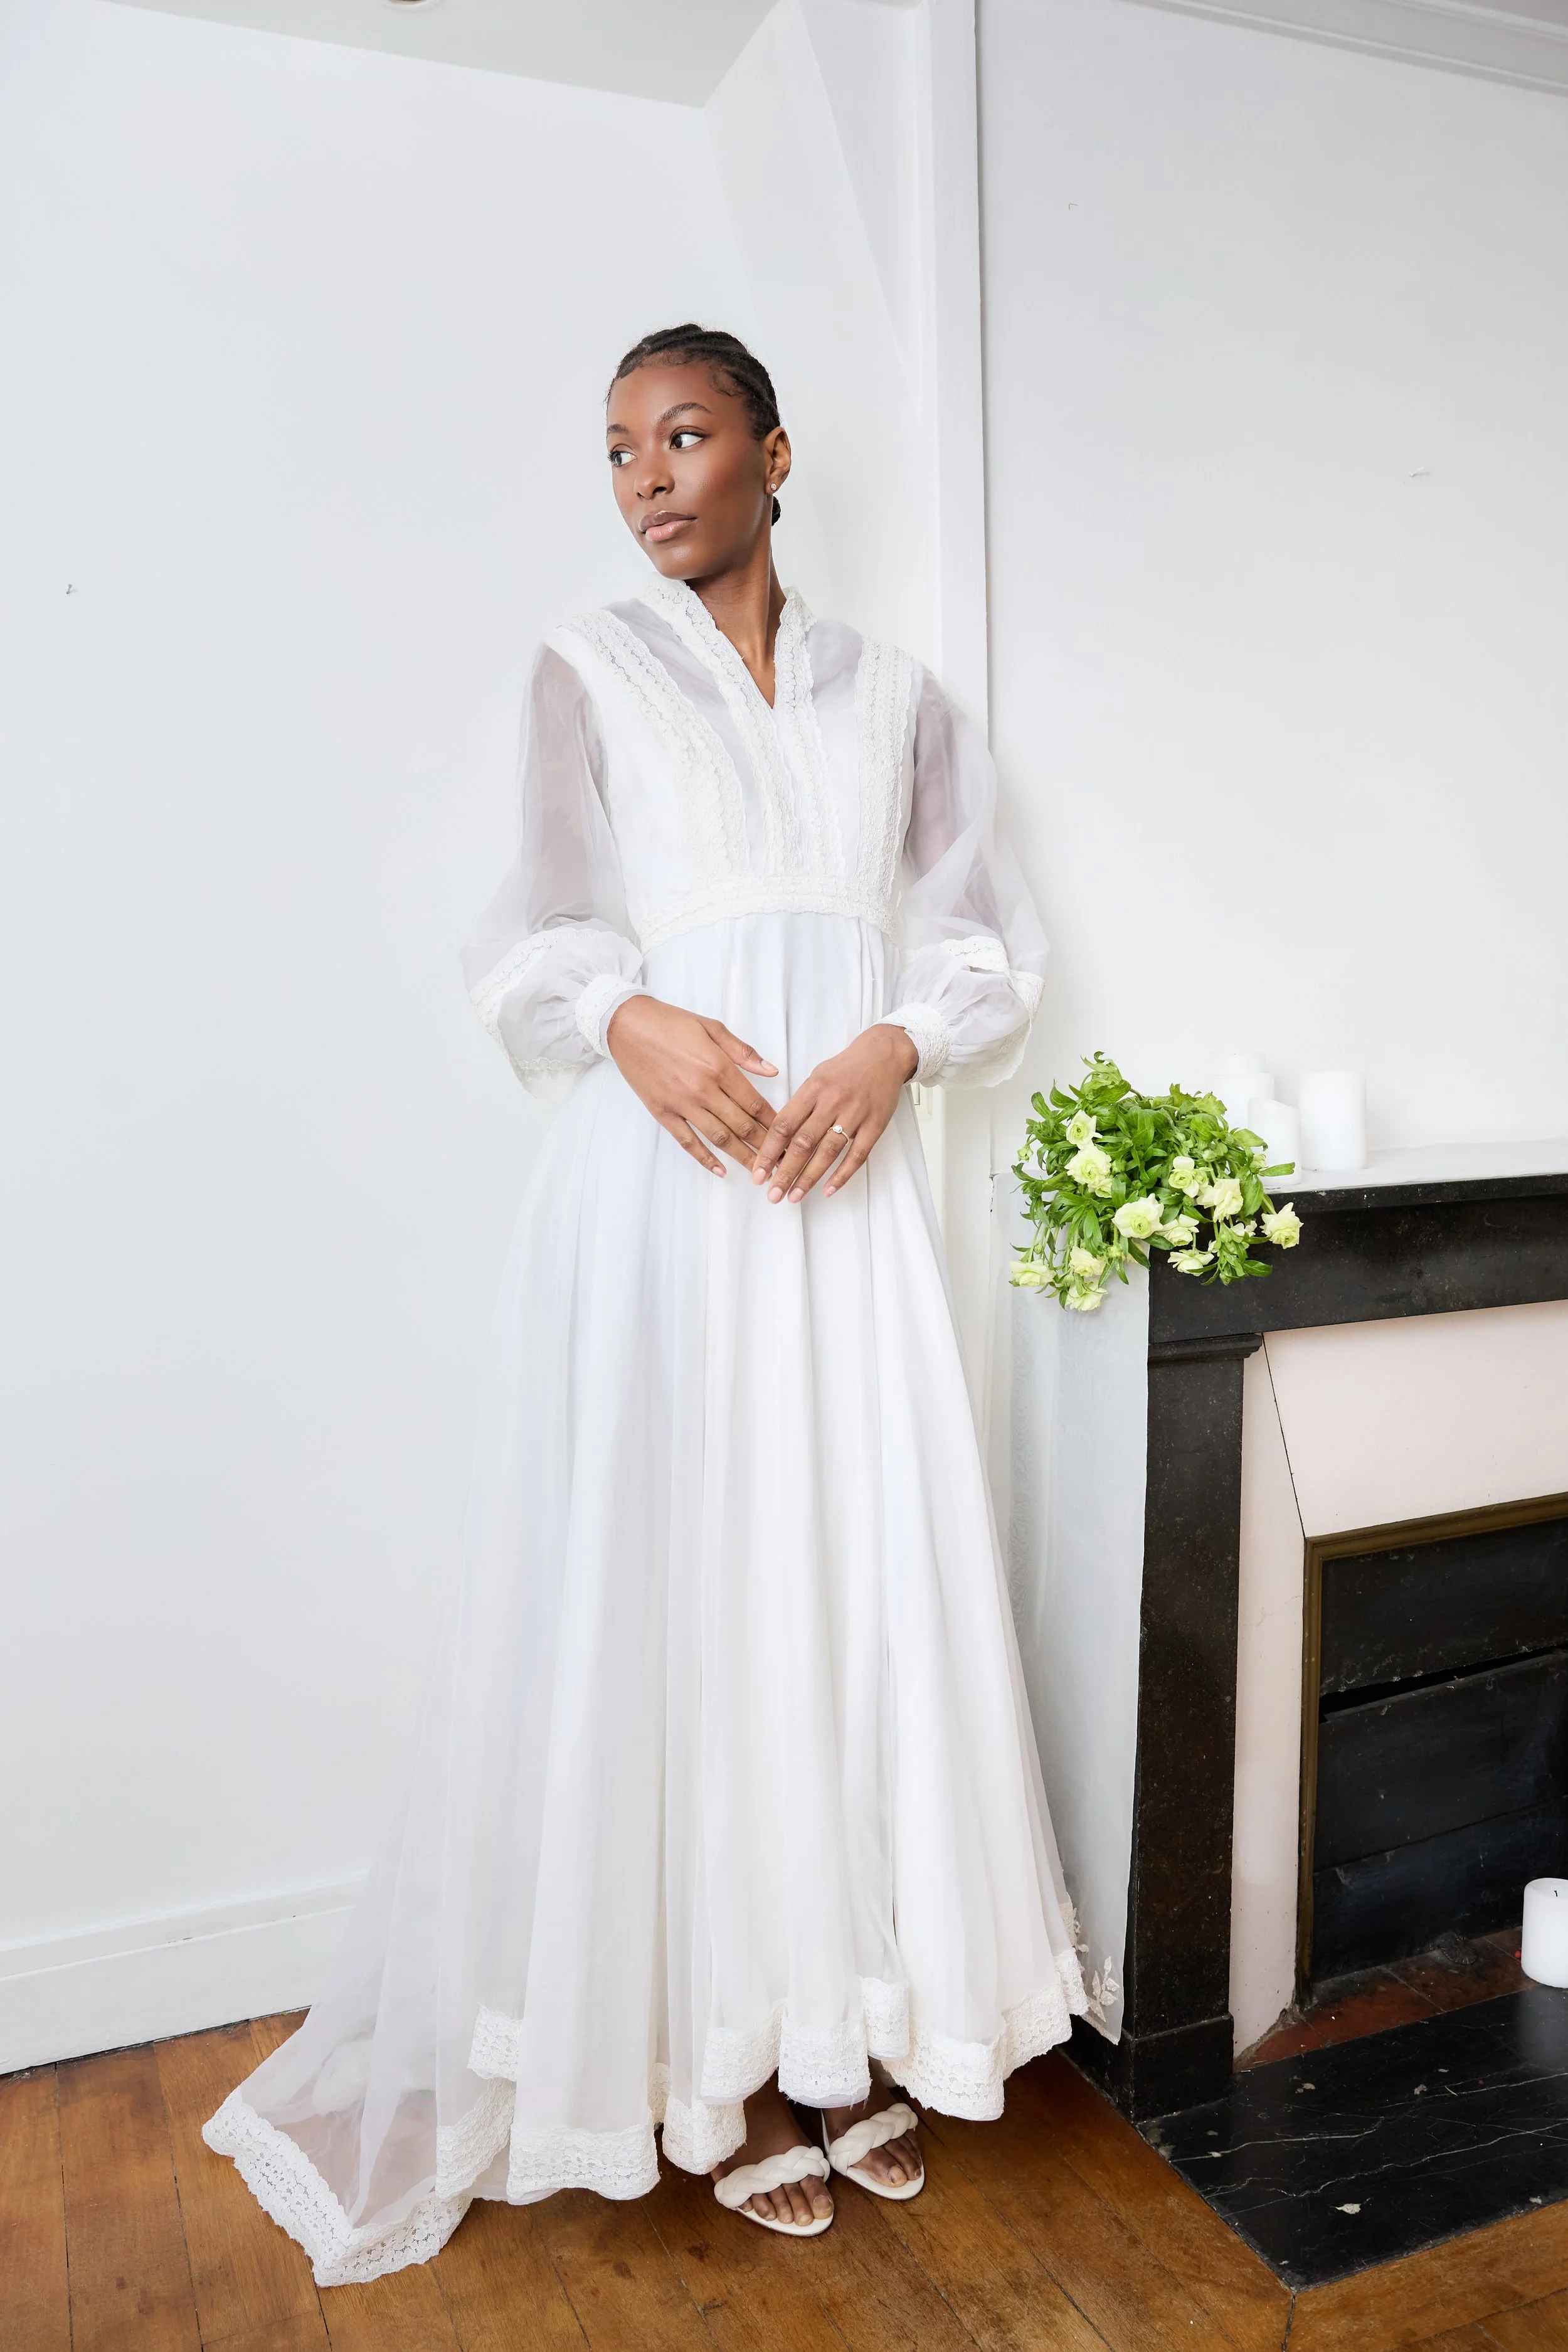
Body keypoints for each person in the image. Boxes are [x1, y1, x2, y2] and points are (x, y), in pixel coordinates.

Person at [204, 324, 1085, 2275]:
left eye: (683, 435)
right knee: (680, 1589)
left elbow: (982, 936)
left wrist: (890, 1049)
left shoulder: (904, 700)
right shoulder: (585, 667)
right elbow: (532, 927)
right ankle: (720, 2064)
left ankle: (840, 2018)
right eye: (615, 451)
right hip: (668, 1186)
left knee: (838, 1587)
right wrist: (626, 1016)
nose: (647, 476)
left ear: (775, 454)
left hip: (838, 1193)